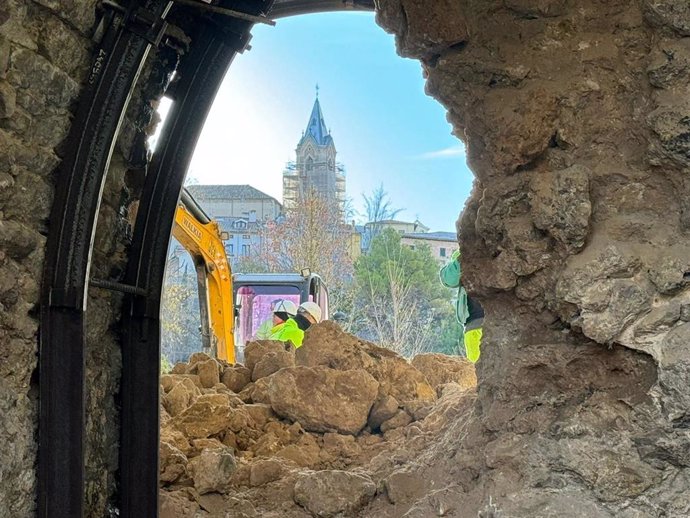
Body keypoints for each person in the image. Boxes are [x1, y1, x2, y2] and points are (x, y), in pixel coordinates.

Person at [440, 249, 484, 363]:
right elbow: (449, 279)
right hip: (475, 323)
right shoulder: (464, 251)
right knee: (477, 370)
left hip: (500, 322)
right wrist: (462, 258)